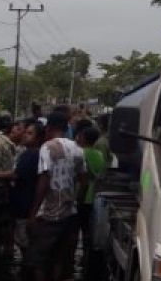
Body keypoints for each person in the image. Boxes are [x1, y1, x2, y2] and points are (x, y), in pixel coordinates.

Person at [28, 112, 85, 281]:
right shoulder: (78, 149)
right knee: (59, 258)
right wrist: (74, 201)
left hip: (49, 214)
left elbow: (44, 180)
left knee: (39, 260)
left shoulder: (47, 147)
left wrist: (33, 212)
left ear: (49, 128)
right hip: (69, 213)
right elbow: (84, 181)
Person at [11, 122, 43, 278]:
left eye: (30, 133)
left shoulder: (30, 154)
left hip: (25, 204)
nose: (25, 134)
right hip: (26, 203)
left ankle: (29, 268)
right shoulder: (34, 153)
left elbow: (16, 174)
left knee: (24, 240)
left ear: (38, 138)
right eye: (26, 132)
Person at [75, 125, 105, 277]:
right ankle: (87, 259)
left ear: (84, 138)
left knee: (77, 230)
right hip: (95, 196)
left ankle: (77, 261)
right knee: (88, 231)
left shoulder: (81, 153)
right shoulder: (99, 154)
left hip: (82, 195)